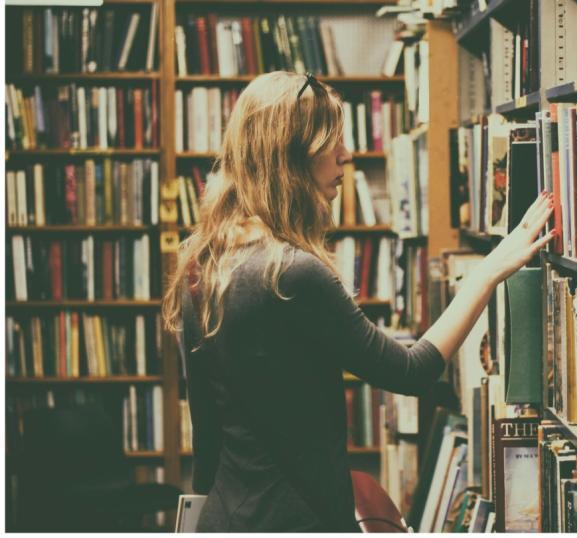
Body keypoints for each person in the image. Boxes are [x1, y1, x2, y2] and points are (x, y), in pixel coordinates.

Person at [162, 71, 556, 532]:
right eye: (333, 142)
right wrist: (489, 271)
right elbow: (410, 371)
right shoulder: (292, 273)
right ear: (291, 156)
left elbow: (206, 440)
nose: (346, 156)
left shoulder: (202, 269)